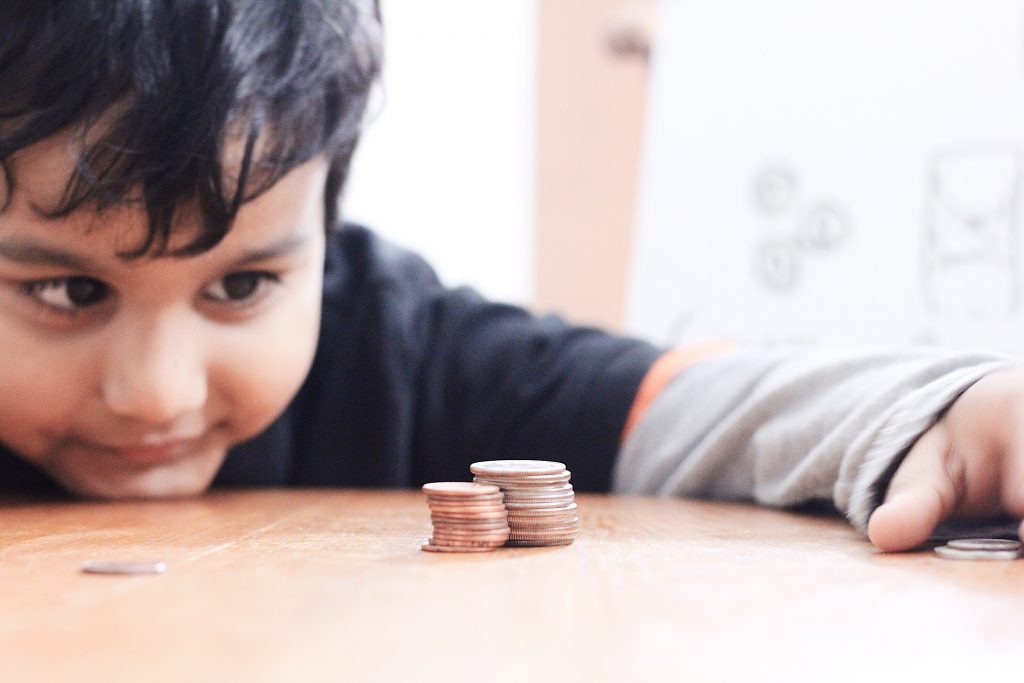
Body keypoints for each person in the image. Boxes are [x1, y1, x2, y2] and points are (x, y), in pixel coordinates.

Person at [0, 0, 1020, 555]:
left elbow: (689, 405)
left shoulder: (393, 342)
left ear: (323, 217)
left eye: (242, 286)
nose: (157, 391)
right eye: (68, 291)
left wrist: (945, 409)